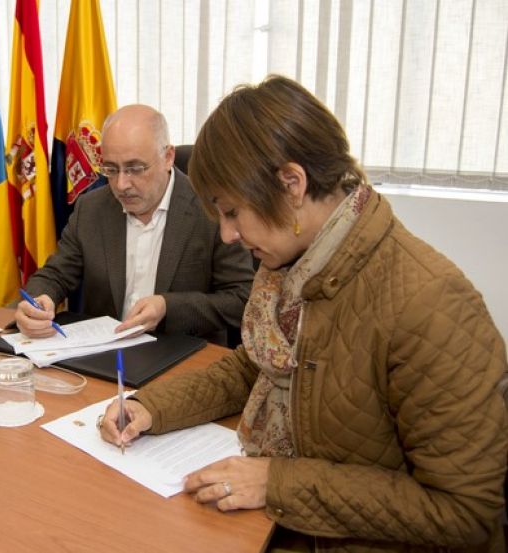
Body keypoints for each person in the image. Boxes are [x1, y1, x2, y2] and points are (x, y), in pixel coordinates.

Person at [98, 77, 508, 551]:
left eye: (234, 212)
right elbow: (253, 368)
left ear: (292, 184)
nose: (228, 235)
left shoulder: (432, 305)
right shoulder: (290, 264)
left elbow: (465, 512)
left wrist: (278, 483)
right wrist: (152, 407)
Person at [15, 104, 253, 344]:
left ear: (168, 157)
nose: (121, 184)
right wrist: (39, 300)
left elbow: (241, 299)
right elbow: (56, 274)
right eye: (111, 169)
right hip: (106, 356)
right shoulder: (91, 208)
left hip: (183, 356)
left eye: (135, 168)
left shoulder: (211, 209)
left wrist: (167, 307)